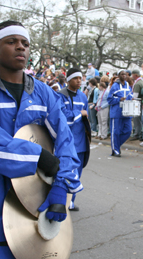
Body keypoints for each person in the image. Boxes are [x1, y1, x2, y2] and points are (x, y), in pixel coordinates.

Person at [0, 20, 82, 259]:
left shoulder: (44, 93)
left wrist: (61, 187)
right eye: (11, 41)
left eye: (25, 43)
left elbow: (65, 143)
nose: (20, 48)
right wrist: (39, 157)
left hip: (39, 204)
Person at [58, 68, 88, 211]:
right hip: (66, 141)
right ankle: (63, 201)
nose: (79, 81)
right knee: (67, 172)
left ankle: (71, 201)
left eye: (80, 78)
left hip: (81, 141)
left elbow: (86, 116)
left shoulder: (82, 96)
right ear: (68, 80)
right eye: (76, 78)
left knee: (78, 173)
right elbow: (62, 116)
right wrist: (79, 113)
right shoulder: (60, 95)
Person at [107, 69, 133, 157]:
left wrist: (131, 98)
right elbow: (109, 99)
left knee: (128, 131)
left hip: (127, 112)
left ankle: (116, 146)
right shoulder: (114, 86)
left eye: (125, 74)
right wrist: (119, 99)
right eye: (122, 74)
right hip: (116, 112)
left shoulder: (128, 85)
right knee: (116, 131)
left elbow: (130, 95)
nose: (124, 76)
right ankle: (115, 149)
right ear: (119, 75)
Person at [130, 69, 143, 140]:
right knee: (138, 119)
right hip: (140, 103)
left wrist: (130, 98)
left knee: (136, 119)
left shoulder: (138, 83)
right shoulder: (141, 81)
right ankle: (139, 133)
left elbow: (135, 96)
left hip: (137, 103)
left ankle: (137, 134)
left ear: (135, 75)